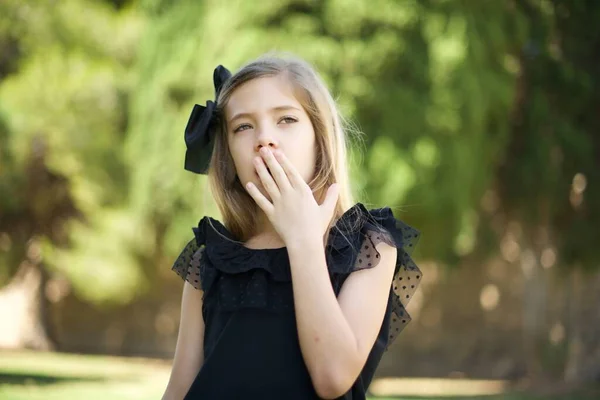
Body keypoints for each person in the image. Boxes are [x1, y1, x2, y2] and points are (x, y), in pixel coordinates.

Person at [162, 54, 422, 400]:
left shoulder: (368, 246)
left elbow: (333, 377)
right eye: (243, 126)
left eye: (286, 119)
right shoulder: (212, 258)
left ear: (320, 137)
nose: (264, 138)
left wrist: (302, 239)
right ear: (228, 153)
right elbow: (180, 390)